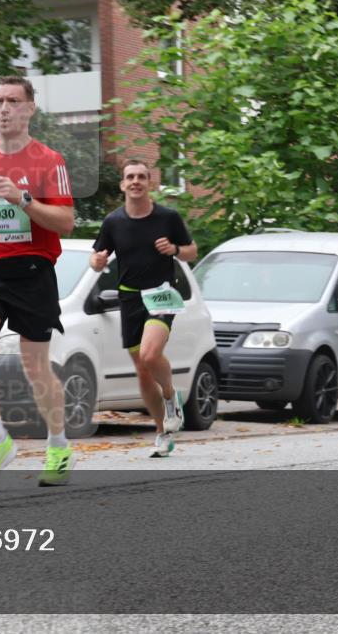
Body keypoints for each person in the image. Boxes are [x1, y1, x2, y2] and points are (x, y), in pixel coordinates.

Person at [0, 76, 75, 487]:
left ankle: (58, 446)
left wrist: (23, 200)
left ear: (29, 109)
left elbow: (66, 222)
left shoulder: (50, 161)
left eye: (12, 101)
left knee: (35, 366)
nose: (3, 109)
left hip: (32, 271)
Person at [90, 160, 197, 457]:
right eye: (130, 177)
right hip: (129, 298)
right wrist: (97, 261)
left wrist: (175, 250)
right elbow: (97, 258)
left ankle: (170, 396)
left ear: (150, 183)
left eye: (141, 177)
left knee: (150, 354)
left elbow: (191, 251)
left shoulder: (168, 218)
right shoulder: (113, 221)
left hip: (161, 294)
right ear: (123, 184)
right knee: (142, 371)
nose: (135, 181)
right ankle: (162, 433)